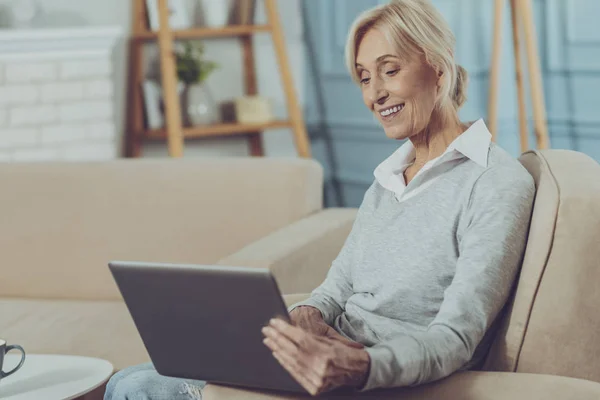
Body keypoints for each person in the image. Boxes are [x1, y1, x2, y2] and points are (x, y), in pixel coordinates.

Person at [104, 0, 535, 398]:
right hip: (319, 360)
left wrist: (358, 364)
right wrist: (307, 314)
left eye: (389, 70)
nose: (374, 94)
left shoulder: (494, 183)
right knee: (128, 377)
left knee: (139, 388)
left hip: (366, 375)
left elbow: (457, 338)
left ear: (438, 70)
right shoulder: (388, 178)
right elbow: (339, 285)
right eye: (365, 77)